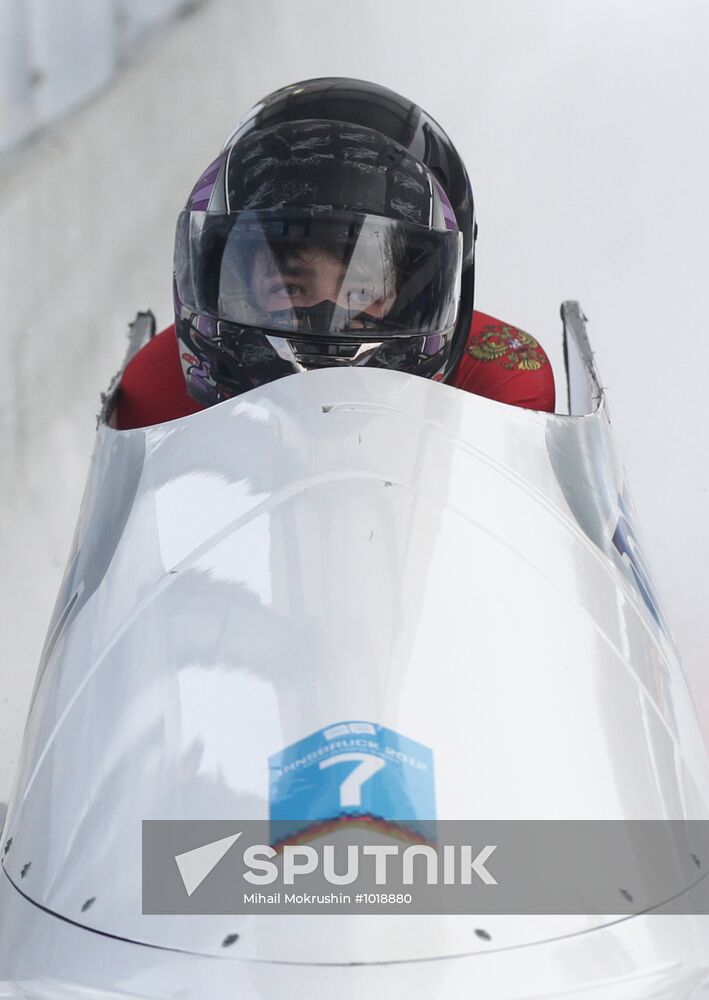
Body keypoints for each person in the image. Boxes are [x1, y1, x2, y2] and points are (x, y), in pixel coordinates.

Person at [114, 78, 554, 430]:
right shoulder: (155, 390)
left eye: (362, 289)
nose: (328, 314)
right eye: (289, 287)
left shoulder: (502, 382)